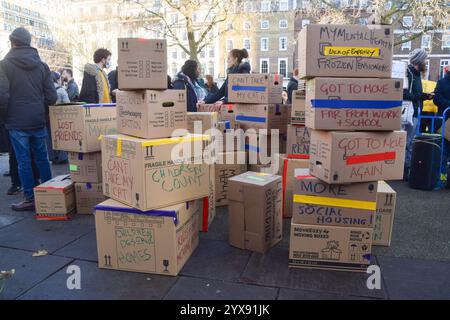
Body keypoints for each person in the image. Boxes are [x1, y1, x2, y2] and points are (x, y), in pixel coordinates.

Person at [0, 27, 56, 210]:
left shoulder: (5, 64)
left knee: (23, 160)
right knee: (42, 157)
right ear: (29, 42)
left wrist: (5, 116)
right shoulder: (41, 66)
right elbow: (52, 97)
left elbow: (3, 95)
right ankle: (50, 194)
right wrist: (42, 111)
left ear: (12, 42)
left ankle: (30, 198)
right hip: (37, 118)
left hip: (16, 120)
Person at [403, 49, 434, 181]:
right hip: (409, 114)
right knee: (407, 144)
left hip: (414, 112)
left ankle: (406, 171)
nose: (426, 62)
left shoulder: (416, 74)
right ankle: (405, 171)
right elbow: (404, 94)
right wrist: (421, 96)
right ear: (419, 60)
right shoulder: (409, 73)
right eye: (425, 59)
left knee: (409, 143)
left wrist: (423, 96)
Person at [47, 71, 69, 164]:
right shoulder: (61, 90)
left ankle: (53, 157)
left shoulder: (45, 89)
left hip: (48, 117)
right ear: (57, 79)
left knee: (50, 138)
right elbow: (68, 103)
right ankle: (62, 157)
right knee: (61, 137)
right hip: (60, 118)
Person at [433, 66, 450, 173]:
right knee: (443, 152)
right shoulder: (442, 82)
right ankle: (441, 178)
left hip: (444, 120)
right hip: (444, 122)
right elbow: (437, 98)